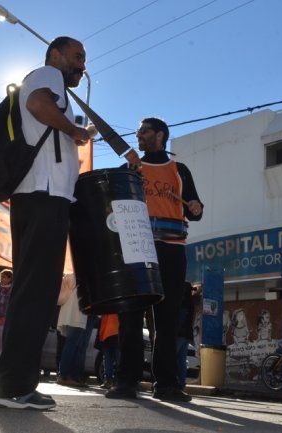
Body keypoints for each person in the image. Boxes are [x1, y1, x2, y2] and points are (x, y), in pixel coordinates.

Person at [0, 35, 90, 411]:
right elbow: (36, 104)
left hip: (46, 197)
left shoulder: (52, 81)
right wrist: (73, 129)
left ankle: (16, 383)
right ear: (56, 54)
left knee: (38, 291)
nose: (82, 64)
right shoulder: (46, 75)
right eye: (77, 56)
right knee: (34, 292)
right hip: (42, 196)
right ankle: (13, 386)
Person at [106, 117, 204, 402]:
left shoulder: (179, 170)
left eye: (144, 131)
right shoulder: (130, 169)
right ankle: (127, 381)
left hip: (172, 249)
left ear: (160, 135)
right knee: (131, 316)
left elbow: (195, 211)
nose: (139, 135)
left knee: (168, 318)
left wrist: (197, 207)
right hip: (138, 246)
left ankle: (167, 384)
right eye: (138, 131)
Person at [56, 273, 90, 387]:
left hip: (67, 314)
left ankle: (67, 375)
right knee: (72, 346)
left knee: (70, 345)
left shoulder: (69, 276)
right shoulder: (82, 277)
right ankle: (64, 375)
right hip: (77, 315)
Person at [176, 282, 195, 389]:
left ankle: (174, 381)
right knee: (182, 360)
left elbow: (180, 321)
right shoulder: (190, 302)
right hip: (187, 335)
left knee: (173, 357)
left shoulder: (183, 302)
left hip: (180, 334)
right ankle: (182, 383)